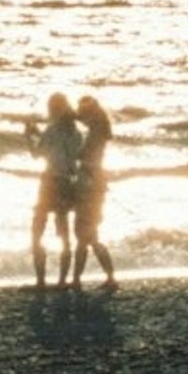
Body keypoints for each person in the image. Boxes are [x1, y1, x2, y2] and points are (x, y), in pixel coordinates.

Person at [26, 92, 84, 286]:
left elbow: (37, 154)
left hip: (50, 183)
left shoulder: (51, 131)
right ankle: (62, 280)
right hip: (67, 183)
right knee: (64, 232)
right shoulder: (76, 132)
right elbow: (76, 158)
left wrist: (29, 136)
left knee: (37, 230)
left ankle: (41, 280)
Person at [70, 96, 119, 293]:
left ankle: (78, 279)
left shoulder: (94, 135)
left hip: (89, 185)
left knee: (84, 235)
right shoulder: (99, 131)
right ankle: (106, 277)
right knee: (89, 235)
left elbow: (82, 156)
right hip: (95, 184)